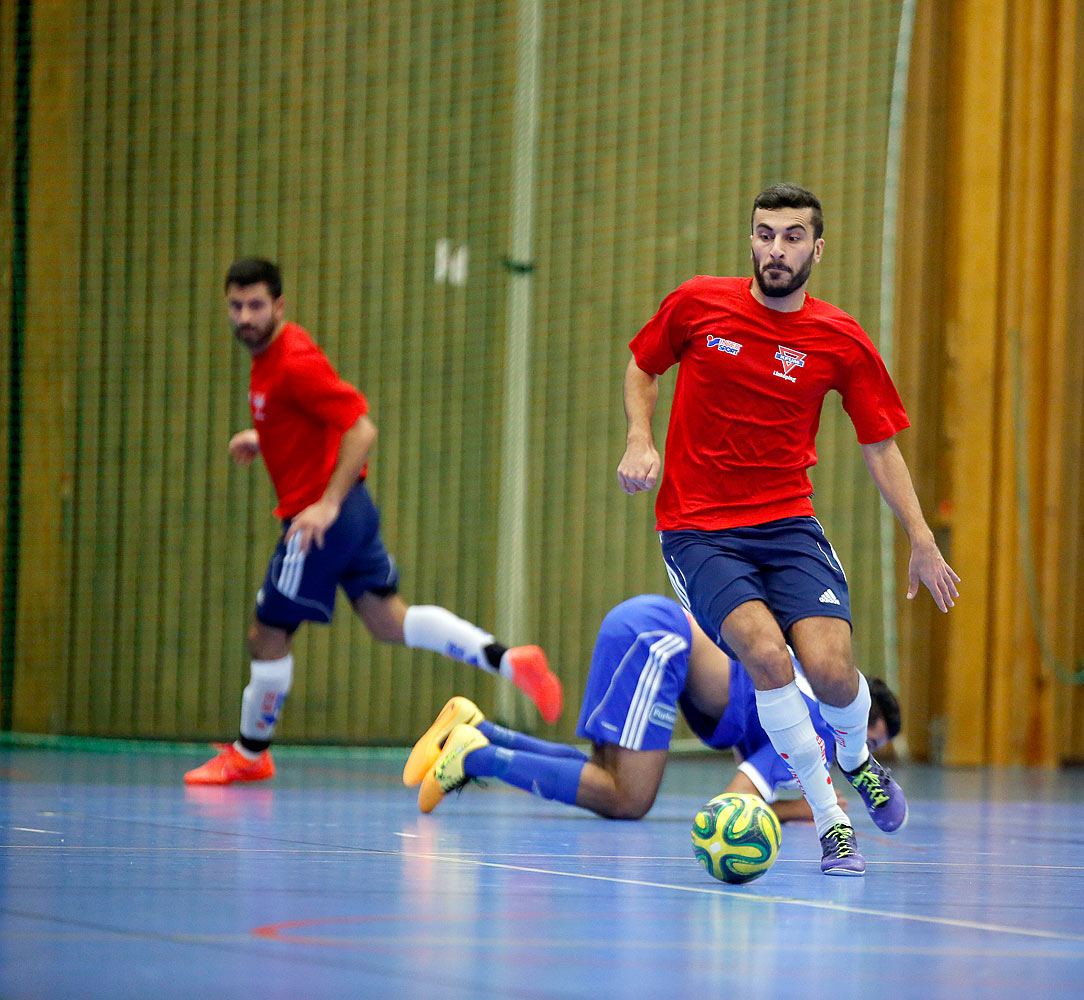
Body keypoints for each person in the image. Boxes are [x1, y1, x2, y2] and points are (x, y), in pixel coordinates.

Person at [615, 183, 959, 876]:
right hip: (699, 531)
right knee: (769, 660)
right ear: (752, 239)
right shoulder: (698, 304)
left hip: (788, 525)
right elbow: (643, 367)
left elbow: (881, 444)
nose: (776, 248)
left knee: (832, 672)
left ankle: (858, 760)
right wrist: (638, 438)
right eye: (765, 234)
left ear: (817, 248)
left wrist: (921, 537)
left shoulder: (839, 339)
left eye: (792, 236)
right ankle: (834, 825)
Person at [185, 257, 562, 785]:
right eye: (235, 306)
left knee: (266, 635)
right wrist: (262, 436)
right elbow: (300, 417)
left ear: (279, 306)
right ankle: (507, 660)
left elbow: (360, 429)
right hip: (353, 514)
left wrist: (325, 505)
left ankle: (250, 755)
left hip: (322, 521)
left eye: (256, 305)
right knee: (388, 619)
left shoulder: (292, 360)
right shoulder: (269, 358)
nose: (244, 317)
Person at [408, 594, 902, 827]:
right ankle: (473, 757)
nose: (861, 754)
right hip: (657, 639)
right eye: (868, 741)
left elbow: (751, 767)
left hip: (645, 627)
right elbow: (734, 802)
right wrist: (820, 808)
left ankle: (479, 729)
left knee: (606, 775)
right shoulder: (813, 727)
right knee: (628, 799)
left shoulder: (798, 691)